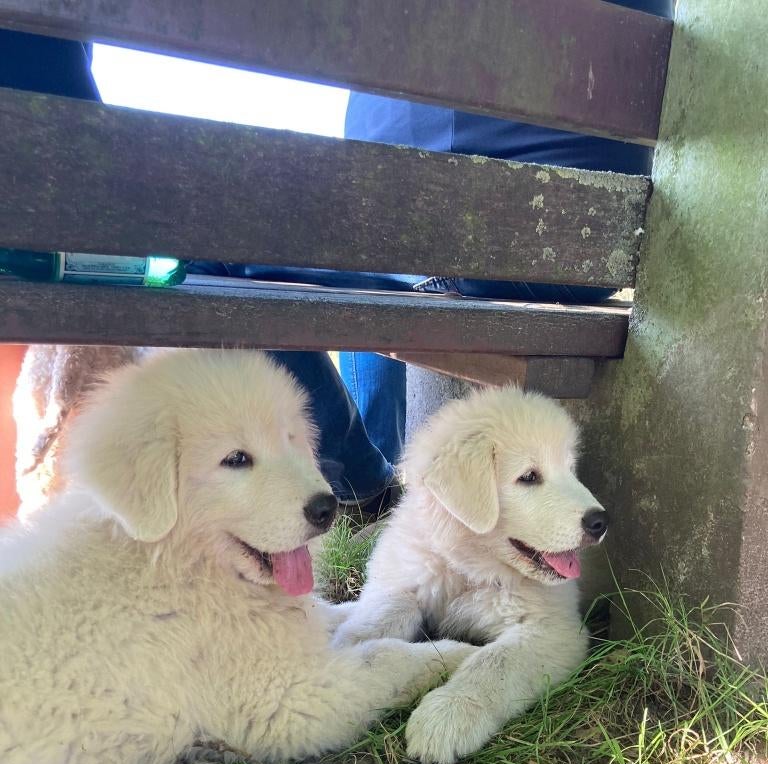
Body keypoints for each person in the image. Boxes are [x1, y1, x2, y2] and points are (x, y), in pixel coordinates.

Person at [1, 0, 672, 517]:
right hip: (590, 251)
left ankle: (361, 480)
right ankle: (371, 480)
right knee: (348, 259)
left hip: (463, 241)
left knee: (230, 254)